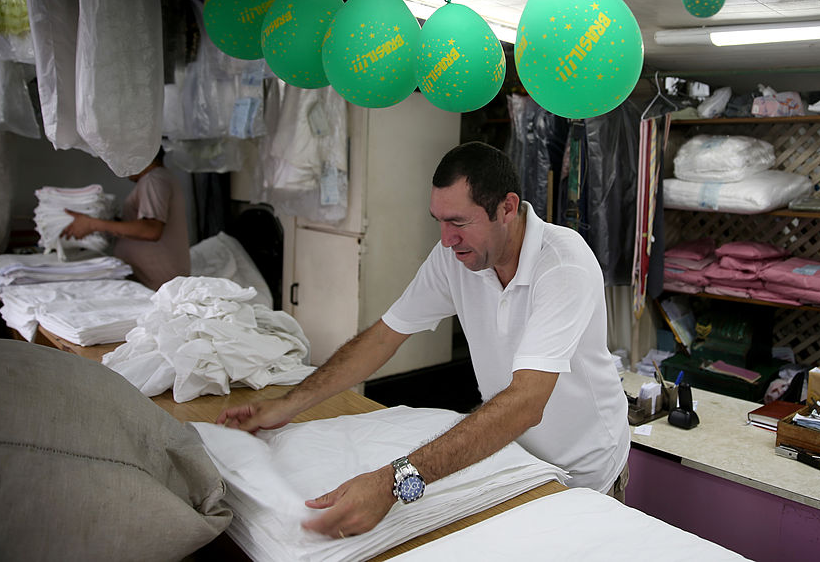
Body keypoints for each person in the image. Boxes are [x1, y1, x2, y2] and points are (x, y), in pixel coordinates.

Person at [216, 142, 631, 539]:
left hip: (584, 469)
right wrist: (286, 405)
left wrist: (392, 483)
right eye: (439, 221)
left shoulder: (562, 265)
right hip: (512, 458)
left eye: (459, 223)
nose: (447, 238)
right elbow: (383, 337)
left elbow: (525, 403)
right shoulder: (456, 258)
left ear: (507, 208)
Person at [61, 147, 190, 290]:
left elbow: (151, 230)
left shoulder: (153, 179)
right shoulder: (159, 178)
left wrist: (92, 224)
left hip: (156, 284)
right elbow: (144, 225)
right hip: (153, 280)